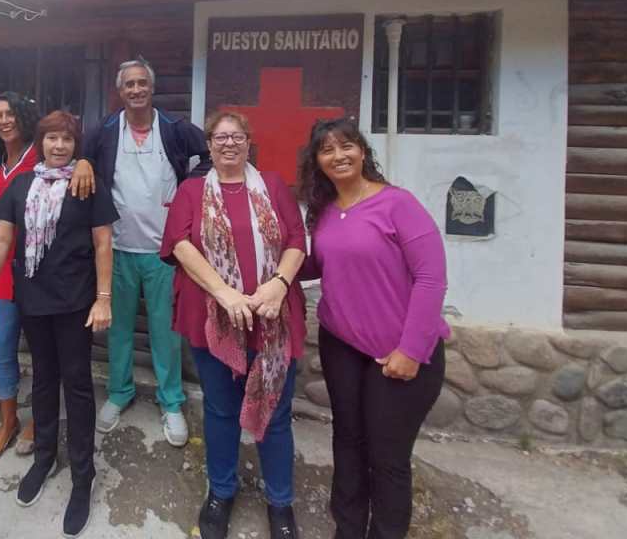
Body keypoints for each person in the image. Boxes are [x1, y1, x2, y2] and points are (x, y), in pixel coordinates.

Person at [299, 117, 449, 539]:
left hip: (397, 353)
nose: (338, 155)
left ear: (362, 151)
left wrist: (412, 350)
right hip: (342, 345)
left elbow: (431, 277)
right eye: (327, 150)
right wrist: (273, 265)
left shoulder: (397, 204)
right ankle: (347, 529)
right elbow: (315, 265)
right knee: (348, 442)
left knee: (387, 457)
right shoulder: (325, 211)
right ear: (318, 162)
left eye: (346, 146)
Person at [161, 110, 306, 539]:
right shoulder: (191, 190)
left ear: (248, 143)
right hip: (215, 321)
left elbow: (297, 241)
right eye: (220, 137)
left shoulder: (274, 187)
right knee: (221, 410)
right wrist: (224, 293)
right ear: (208, 146)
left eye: (237, 136)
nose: (228, 143)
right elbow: (178, 244)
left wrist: (278, 285)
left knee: (276, 416)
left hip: (271, 320)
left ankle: (280, 503)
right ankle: (222, 491)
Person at [0, 110, 118, 538]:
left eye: (67, 140)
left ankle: (82, 475)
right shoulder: (22, 184)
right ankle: (43, 458)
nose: (59, 146)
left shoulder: (86, 182)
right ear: (40, 142)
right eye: (52, 139)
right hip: (33, 299)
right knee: (41, 379)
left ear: (77, 145)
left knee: (76, 383)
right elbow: (2, 237)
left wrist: (103, 299)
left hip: (76, 300)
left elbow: (103, 241)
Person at [71, 57, 210, 447]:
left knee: (167, 331)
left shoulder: (174, 128)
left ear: (152, 87)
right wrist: (83, 160)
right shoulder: (105, 129)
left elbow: (210, 154)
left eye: (141, 83)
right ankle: (119, 392)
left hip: (165, 252)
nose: (135, 90)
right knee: (119, 329)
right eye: (128, 84)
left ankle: (171, 402)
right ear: (120, 91)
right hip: (117, 249)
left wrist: (189, 191)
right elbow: (85, 154)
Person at [0, 91, 41, 466]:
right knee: (2, 348)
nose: (4, 121)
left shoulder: (40, 155)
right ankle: (9, 421)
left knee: (41, 350)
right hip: (4, 272)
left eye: (10, 113)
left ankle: (37, 420)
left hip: (38, 272)